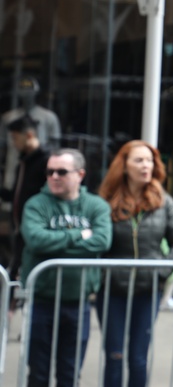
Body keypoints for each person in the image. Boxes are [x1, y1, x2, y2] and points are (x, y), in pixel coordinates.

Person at [97, 140, 173, 387]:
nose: (146, 165)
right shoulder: (106, 200)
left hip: (148, 290)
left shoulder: (163, 200)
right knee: (114, 356)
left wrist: (162, 270)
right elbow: (97, 243)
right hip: (112, 290)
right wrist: (100, 276)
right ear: (124, 166)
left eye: (149, 160)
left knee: (138, 358)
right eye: (139, 160)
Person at [20, 148, 112, 387]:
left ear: (80, 174)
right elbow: (36, 240)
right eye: (49, 171)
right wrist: (79, 236)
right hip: (41, 301)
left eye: (61, 171)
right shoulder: (36, 204)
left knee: (69, 374)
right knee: (38, 373)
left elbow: (102, 241)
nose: (53, 176)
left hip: (78, 302)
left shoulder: (95, 205)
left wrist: (56, 244)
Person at [1, 115, 50, 279]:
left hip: (34, 228)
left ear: (29, 135)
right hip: (19, 228)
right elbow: (16, 194)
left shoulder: (45, 162)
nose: (14, 144)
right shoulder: (23, 163)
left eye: (15, 138)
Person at [2, 76, 61, 189]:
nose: (26, 93)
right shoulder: (8, 118)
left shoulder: (48, 117)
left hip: (40, 165)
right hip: (13, 163)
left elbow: (55, 147)